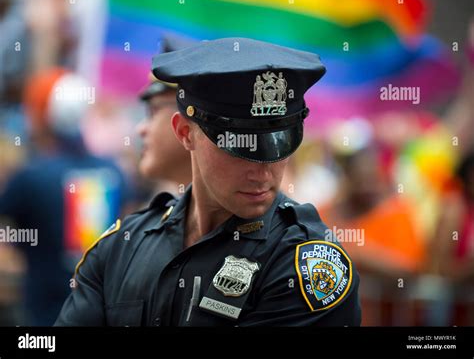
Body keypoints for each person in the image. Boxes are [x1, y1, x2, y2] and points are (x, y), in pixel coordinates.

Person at [55, 37, 361, 326]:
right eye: (239, 148)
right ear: (186, 133)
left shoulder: (306, 264)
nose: (263, 172)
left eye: (278, 145)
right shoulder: (121, 247)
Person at [0, 67, 129, 325]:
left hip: (42, 315)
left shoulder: (31, 176)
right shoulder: (115, 172)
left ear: (42, 116)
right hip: (101, 310)